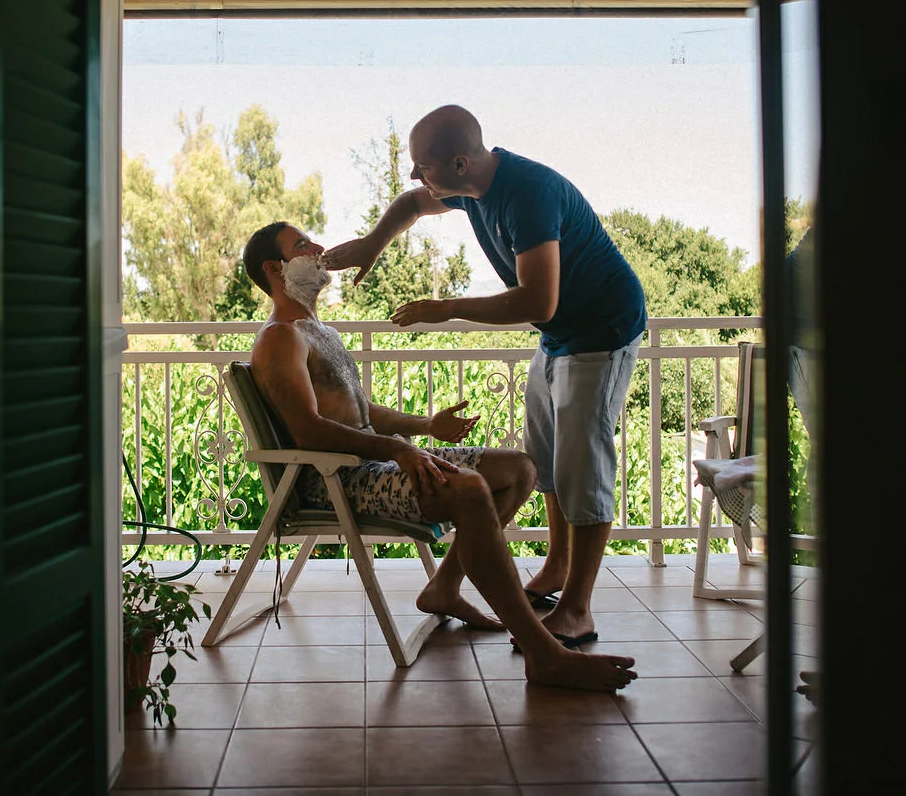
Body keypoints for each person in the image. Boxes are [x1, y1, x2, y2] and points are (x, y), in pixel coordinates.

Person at [241, 220, 639, 692]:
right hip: (335, 481)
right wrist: (398, 449)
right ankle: (543, 654)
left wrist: (426, 426)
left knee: (518, 468)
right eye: (302, 245)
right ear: (274, 269)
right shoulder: (280, 338)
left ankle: (445, 586)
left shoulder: (316, 330)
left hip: (371, 466)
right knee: (468, 489)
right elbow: (308, 430)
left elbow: (360, 413)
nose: (319, 248)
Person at [323, 104, 648, 648]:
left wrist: (445, 309)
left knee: (582, 465)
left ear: (459, 162)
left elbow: (539, 302)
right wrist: (371, 244)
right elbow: (411, 203)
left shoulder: (528, 194)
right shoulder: (469, 187)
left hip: (601, 331)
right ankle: (557, 567)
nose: (414, 174)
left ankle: (577, 608)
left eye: (423, 165)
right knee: (545, 457)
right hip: (559, 337)